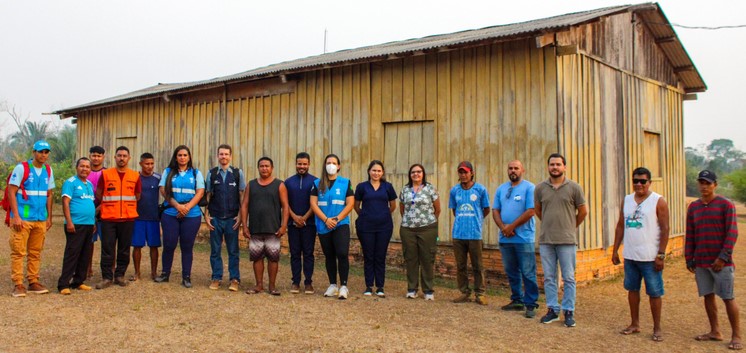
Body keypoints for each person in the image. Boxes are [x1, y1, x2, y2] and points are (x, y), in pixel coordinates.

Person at [612, 167, 670, 341]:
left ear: (649, 182)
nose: (639, 184)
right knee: (632, 290)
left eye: (643, 181)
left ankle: (657, 328)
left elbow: (665, 228)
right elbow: (621, 225)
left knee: (654, 292)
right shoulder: (627, 200)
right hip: (631, 255)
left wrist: (661, 255)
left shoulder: (658, 201)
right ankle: (635, 323)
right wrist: (615, 250)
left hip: (650, 257)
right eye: (635, 181)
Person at [686, 170, 741, 350]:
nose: (704, 186)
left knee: (728, 297)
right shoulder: (693, 207)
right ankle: (715, 331)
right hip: (701, 261)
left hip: (721, 263)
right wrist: (689, 257)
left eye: (708, 183)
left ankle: (737, 336)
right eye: (701, 183)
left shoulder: (726, 205)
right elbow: (691, 234)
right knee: (708, 296)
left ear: (715, 185)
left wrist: (722, 258)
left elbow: (732, 233)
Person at [535, 153, 587, 327]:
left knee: (569, 277)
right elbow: (538, 210)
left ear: (564, 167)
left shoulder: (574, 187)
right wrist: (550, 225)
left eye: (558, 164)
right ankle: (552, 310)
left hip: (567, 240)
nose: (555, 167)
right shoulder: (540, 188)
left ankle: (569, 311)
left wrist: (571, 226)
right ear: (548, 167)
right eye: (552, 164)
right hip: (546, 240)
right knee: (549, 277)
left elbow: (583, 211)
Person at [7, 140, 55, 297]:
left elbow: (49, 194)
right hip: (24, 217)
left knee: (35, 251)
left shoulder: (48, 170)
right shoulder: (22, 168)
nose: (43, 155)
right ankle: (18, 284)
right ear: (34, 152)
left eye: (46, 152)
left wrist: (49, 217)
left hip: (40, 218)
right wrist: (16, 216)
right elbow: (11, 191)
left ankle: (33, 281)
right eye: (40, 151)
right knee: (19, 251)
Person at [492, 160, 539, 318]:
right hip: (506, 238)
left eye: (516, 168)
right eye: (510, 168)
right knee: (511, 271)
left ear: (522, 170)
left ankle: (531, 304)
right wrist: (503, 228)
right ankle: (517, 300)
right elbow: (495, 211)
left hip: (523, 238)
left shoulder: (529, 188)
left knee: (528, 272)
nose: (513, 171)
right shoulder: (501, 188)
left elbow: (531, 211)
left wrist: (511, 227)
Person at [154, 145, 205, 288]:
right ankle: (165, 274)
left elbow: (200, 192)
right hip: (171, 212)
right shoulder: (168, 172)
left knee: (187, 246)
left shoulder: (196, 173)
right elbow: (163, 190)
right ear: (175, 157)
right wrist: (177, 206)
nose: (182, 158)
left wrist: (187, 207)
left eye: (185, 155)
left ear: (189, 157)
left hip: (191, 214)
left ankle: (186, 277)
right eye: (180, 155)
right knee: (169, 244)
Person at [240, 157, 289, 295]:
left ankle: (272, 287)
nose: (264, 168)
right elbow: (244, 205)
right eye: (261, 166)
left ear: (272, 168)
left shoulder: (279, 185)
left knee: (273, 258)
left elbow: (285, 207)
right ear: (258, 168)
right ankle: (259, 285)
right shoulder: (251, 184)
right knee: (257, 257)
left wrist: (283, 225)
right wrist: (244, 226)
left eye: (267, 166)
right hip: (255, 228)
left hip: (273, 229)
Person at [95, 146, 141, 289]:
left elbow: (138, 195)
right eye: (119, 155)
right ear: (114, 157)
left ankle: (120, 275)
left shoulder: (135, 176)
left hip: (127, 219)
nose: (122, 158)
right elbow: (99, 193)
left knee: (124, 249)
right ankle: (107, 277)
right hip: (109, 218)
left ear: (129, 158)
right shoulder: (106, 174)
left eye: (124, 156)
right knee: (107, 249)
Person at [310, 154, 355, 300]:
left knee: (342, 253)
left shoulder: (345, 182)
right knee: (329, 255)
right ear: (324, 165)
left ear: (339, 166)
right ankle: (332, 285)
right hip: (323, 224)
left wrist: (336, 219)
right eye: (328, 162)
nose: (331, 165)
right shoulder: (317, 184)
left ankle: (343, 286)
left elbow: (350, 204)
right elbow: (313, 204)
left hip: (340, 224)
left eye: (334, 162)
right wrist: (326, 219)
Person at [449, 161, 491, 305]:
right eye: (461, 172)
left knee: (477, 266)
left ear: (472, 173)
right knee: (461, 266)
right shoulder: (454, 190)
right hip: (458, 234)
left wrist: (476, 220)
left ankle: (480, 293)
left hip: (475, 234)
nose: (463, 175)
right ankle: (464, 292)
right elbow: (455, 210)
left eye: (466, 172)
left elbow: (486, 209)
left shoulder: (480, 190)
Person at [205, 144, 246, 292]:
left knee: (233, 250)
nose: (224, 157)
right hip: (215, 218)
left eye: (226, 154)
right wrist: (206, 215)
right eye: (221, 154)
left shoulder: (237, 173)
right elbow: (208, 195)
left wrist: (241, 216)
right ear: (218, 156)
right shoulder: (212, 173)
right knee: (215, 250)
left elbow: (242, 195)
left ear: (230, 156)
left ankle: (234, 279)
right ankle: (216, 277)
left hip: (232, 219)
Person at [354, 160, 397, 297]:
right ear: (369, 171)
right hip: (365, 226)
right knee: (368, 255)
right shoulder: (362, 187)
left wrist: (382, 214)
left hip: (384, 227)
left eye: (379, 171)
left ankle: (380, 286)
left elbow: (393, 206)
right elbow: (356, 206)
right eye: (374, 170)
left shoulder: (388, 187)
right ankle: (368, 286)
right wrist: (366, 215)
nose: (376, 173)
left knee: (380, 256)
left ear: (382, 172)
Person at [399, 164, 440, 300]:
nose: (416, 174)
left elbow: (437, 209)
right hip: (408, 229)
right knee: (411, 259)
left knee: (427, 259)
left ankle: (428, 290)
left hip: (427, 228)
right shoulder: (405, 189)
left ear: (423, 174)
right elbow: (402, 208)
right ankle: (412, 289)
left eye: (419, 172)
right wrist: (410, 221)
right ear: (410, 174)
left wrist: (427, 221)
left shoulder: (430, 188)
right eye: (413, 172)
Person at [57, 157, 96, 294]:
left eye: (87, 166)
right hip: (75, 224)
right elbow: (66, 202)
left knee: (85, 254)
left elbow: (90, 203)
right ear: (77, 167)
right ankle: (63, 284)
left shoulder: (89, 184)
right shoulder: (70, 182)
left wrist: (93, 222)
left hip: (88, 224)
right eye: (82, 166)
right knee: (72, 253)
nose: (85, 169)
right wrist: (69, 221)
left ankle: (78, 281)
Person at [285, 152, 317, 294]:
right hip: (293, 224)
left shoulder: (316, 182)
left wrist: (304, 218)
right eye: (299, 164)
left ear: (309, 164)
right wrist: (294, 217)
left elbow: (316, 204)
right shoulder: (288, 182)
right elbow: (285, 203)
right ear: (296, 164)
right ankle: (295, 282)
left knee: (309, 253)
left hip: (309, 224)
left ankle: (308, 282)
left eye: (304, 164)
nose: (302, 166)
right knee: (295, 253)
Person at [130, 153, 162, 281]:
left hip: (153, 217)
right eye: (147, 164)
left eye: (152, 164)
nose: (149, 166)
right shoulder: (134, 177)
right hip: (137, 217)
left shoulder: (158, 178)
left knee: (154, 246)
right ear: (141, 164)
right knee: (137, 246)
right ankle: (137, 273)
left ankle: (154, 273)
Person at [86, 145, 106, 280]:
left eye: (99, 156)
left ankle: (108, 268)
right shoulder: (85, 172)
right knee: (88, 242)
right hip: (87, 212)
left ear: (103, 157)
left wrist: (98, 209)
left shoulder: (107, 173)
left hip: (104, 212)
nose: (96, 158)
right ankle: (87, 268)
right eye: (94, 155)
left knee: (107, 242)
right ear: (90, 156)